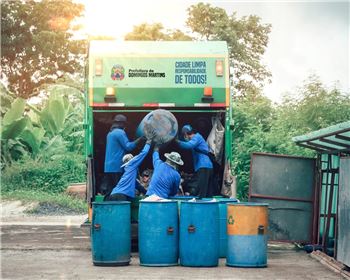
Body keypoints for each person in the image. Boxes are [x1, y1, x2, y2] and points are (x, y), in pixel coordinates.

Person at [101, 114, 143, 195]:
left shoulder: (110, 134)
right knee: (120, 190)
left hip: (108, 167)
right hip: (117, 167)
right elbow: (128, 147)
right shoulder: (120, 132)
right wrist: (140, 140)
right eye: (124, 124)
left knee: (110, 191)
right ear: (121, 124)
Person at [176, 124, 213, 198]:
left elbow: (187, 145)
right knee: (206, 192)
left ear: (186, 134)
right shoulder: (194, 139)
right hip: (206, 167)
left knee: (201, 193)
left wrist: (177, 141)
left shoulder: (197, 137)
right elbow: (184, 142)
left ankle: (200, 207)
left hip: (203, 167)